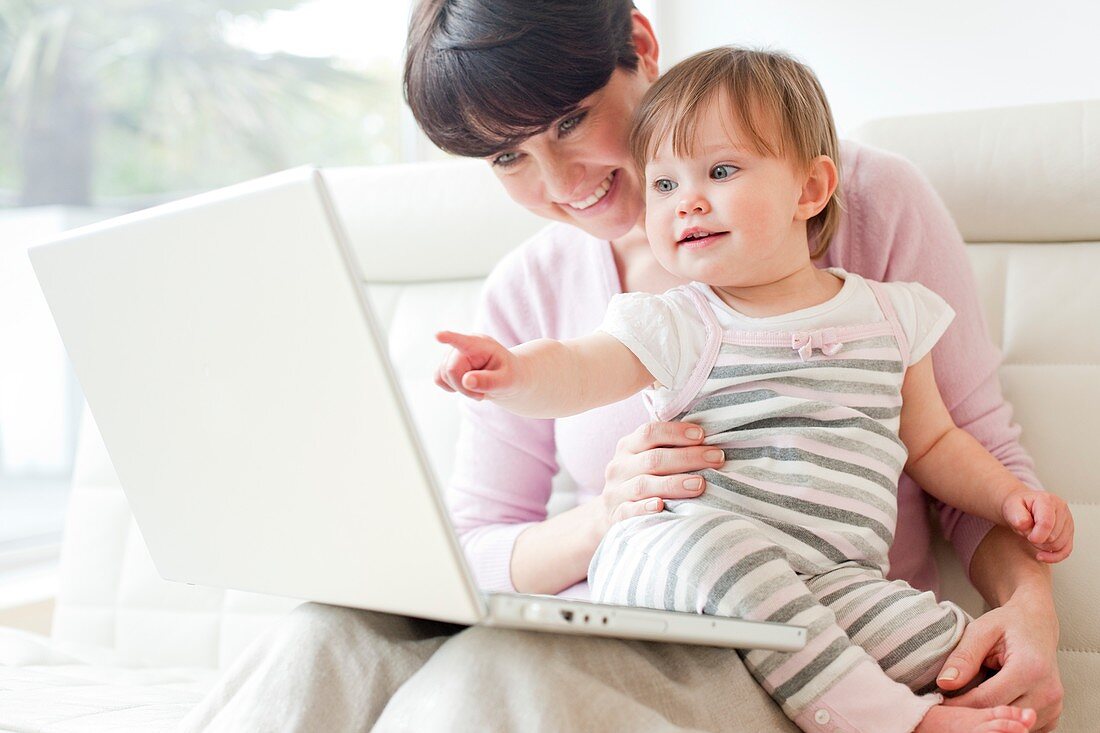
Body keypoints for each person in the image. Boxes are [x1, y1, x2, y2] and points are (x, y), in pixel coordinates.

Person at [179, 3, 1064, 731]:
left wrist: (1030, 614)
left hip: (787, 639)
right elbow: (477, 541)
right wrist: (607, 516)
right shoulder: (527, 291)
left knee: (493, 676)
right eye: (507, 157)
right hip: (623, 594)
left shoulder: (862, 206)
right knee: (324, 635)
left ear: (640, 46)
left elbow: (965, 451)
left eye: (569, 121)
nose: (559, 180)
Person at [434, 46, 1073, 733]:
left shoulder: (893, 316)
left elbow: (941, 440)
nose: (689, 202)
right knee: (722, 555)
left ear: (810, 188)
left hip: (827, 583)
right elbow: (578, 368)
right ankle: (896, 723)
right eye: (664, 185)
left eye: (721, 172)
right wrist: (511, 373)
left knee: (959, 650)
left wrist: (1009, 500)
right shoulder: (676, 319)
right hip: (676, 562)